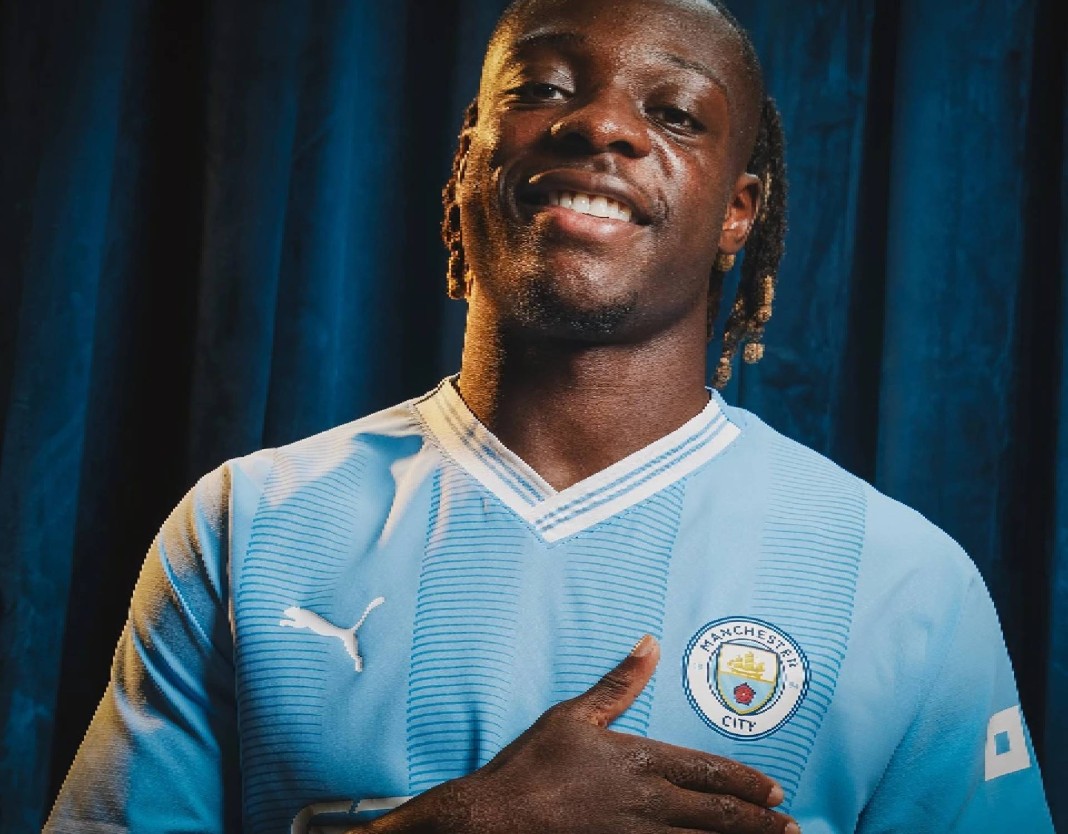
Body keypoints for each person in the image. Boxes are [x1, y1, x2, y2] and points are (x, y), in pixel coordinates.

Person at [45, 0, 1055, 832]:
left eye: (675, 113)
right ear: (467, 163)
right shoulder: (248, 523)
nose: (601, 125)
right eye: (543, 88)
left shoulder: (902, 581)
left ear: (739, 211)